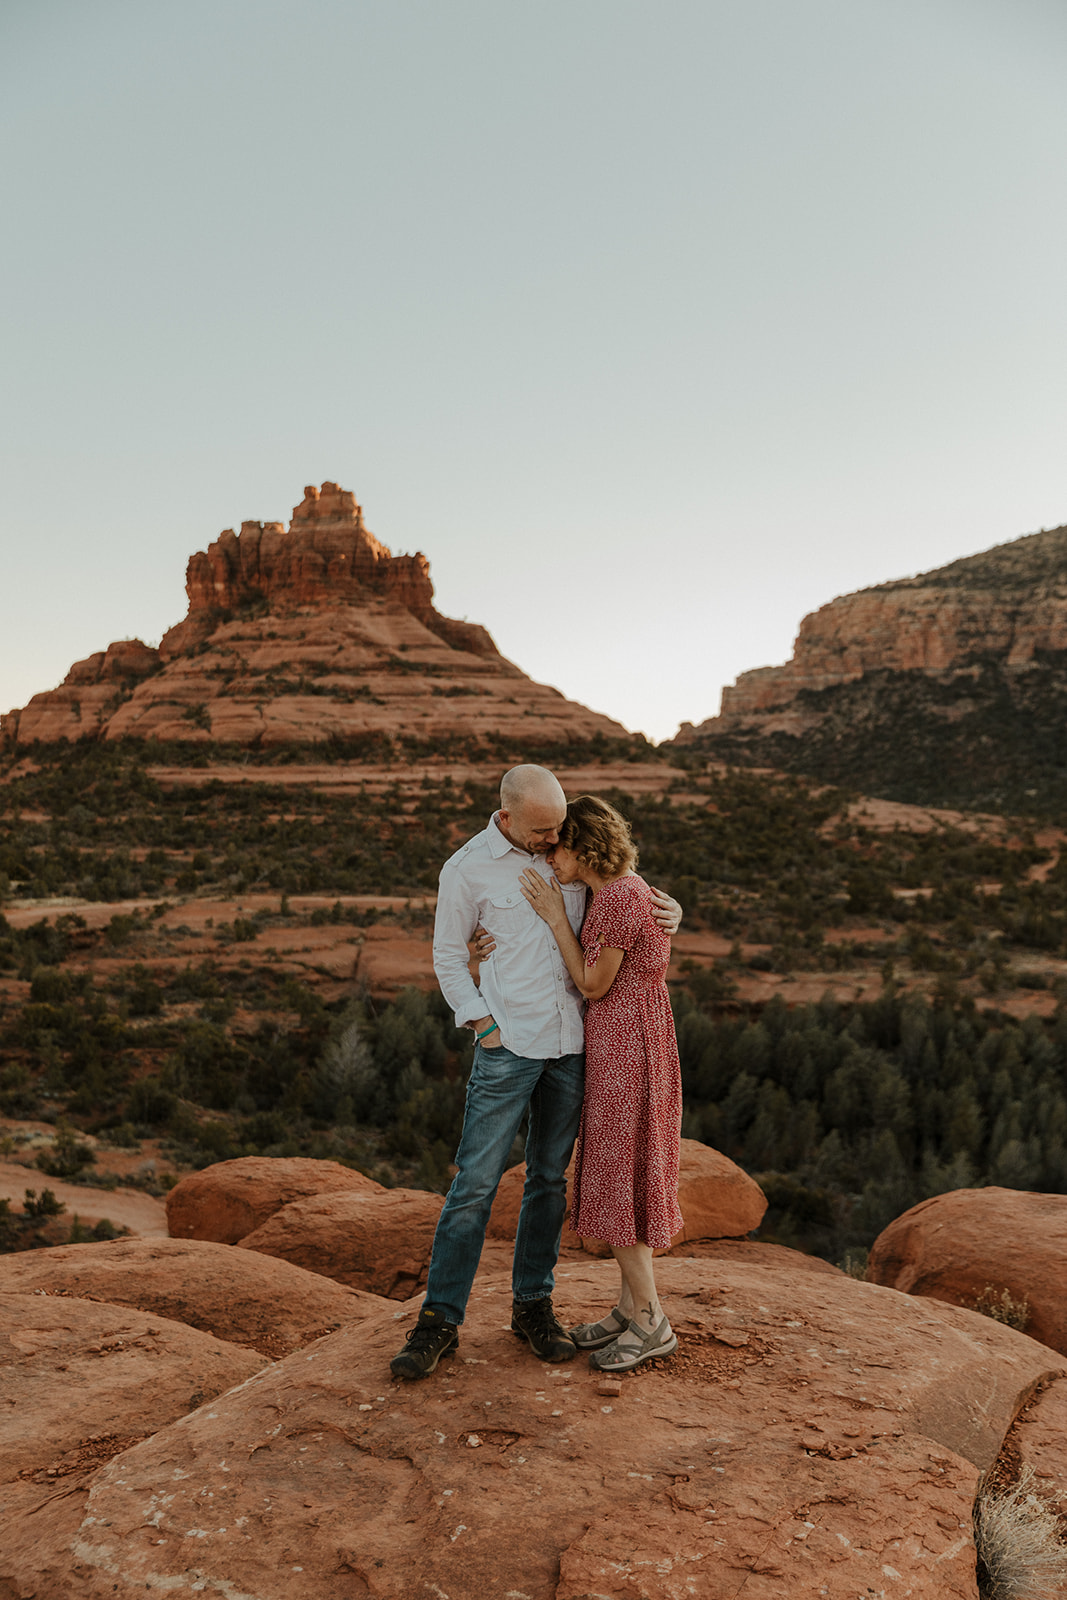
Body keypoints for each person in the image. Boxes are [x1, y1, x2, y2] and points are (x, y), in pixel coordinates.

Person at [390, 764, 681, 1380]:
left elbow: (623, 898)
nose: (553, 842)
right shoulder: (466, 868)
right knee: (474, 1184)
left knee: (549, 1180)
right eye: (543, 830)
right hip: (509, 1045)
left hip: (576, 1045)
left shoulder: (567, 855)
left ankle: (533, 1308)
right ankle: (439, 1321)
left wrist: (671, 911)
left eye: (560, 832)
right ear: (509, 815)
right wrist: (479, 1022)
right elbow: (447, 954)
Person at [517, 793, 683, 1372]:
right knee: (628, 1172)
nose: (550, 855)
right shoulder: (625, 887)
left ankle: (652, 1321)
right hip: (642, 1038)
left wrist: (557, 920)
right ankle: (626, 1309)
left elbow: (593, 984)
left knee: (618, 1177)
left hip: (624, 1049)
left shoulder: (611, 901)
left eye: (557, 846)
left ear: (583, 847)